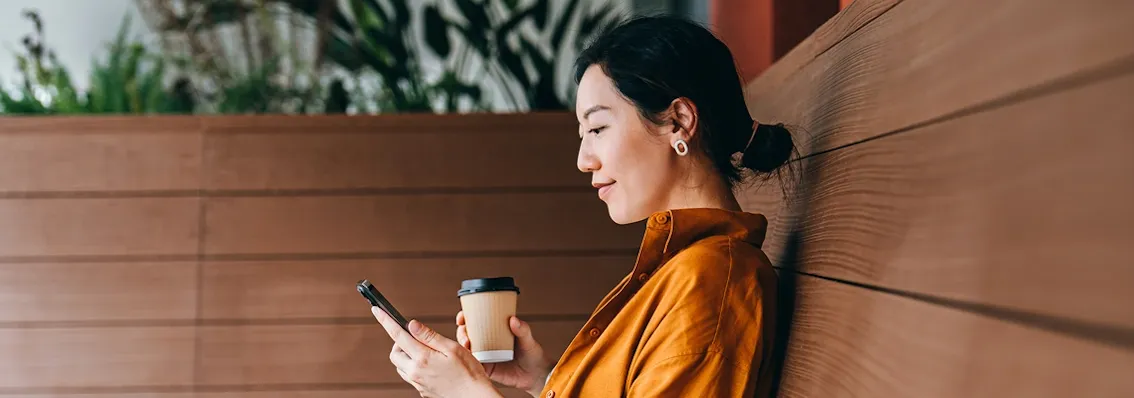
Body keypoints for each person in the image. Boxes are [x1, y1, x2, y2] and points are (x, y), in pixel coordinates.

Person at [370, 15, 793, 398]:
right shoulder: (680, 266)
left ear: (677, 121)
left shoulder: (710, 281)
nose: (583, 159)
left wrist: (469, 394)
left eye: (597, 127)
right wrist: (544, 380)